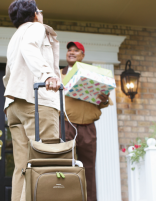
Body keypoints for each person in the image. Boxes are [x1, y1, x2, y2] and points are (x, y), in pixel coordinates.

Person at [3, 0, 61, 200]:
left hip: (14, 105)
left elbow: (8, 74)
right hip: (37, 102)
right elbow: (30, 48)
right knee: (45, 163)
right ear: (35, 14)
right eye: (40, 11)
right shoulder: (36, 28)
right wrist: (47, 75)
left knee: (22, 166)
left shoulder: (14, 37)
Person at [60, 42, 111, 201]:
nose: (71, 52)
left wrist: (104, 99)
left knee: (88, 169)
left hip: (88, 127)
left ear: (83, 55)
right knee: (65, 167)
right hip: (66, 125)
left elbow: (103, 103)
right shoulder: (58, 74)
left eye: (76, 50)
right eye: (69, 50)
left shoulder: (93, 75)